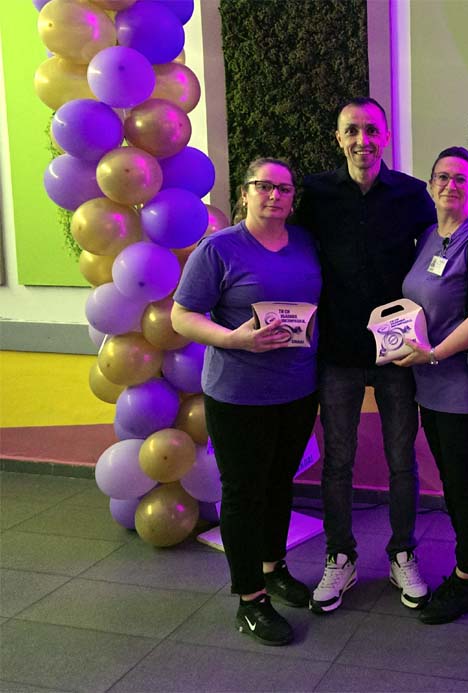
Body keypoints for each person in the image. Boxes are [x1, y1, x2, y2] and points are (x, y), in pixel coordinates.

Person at [296, 97, 437, 614]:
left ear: (386, 137)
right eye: (352, 130)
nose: (363, 140)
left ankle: (402, 553)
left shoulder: (412, 194)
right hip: (337, 350)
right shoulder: (314, 193)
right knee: (338, 461)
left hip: (397, 352)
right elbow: (290, 250)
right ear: (338, 138)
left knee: (402, 459)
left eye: (372, 130)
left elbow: (440, 249)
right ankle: (341, 556)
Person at [172, 158, 321, 646]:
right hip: (238, 393)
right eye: (264, 186)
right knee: (242, 493)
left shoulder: (304, 243)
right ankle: (250, 599)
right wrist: (233, 340)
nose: (275, 195)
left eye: (284, 188)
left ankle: (273, 568)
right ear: (244, 193)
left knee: (279, 484)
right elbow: (181, 315)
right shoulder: (219, 249)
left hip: (297, 389)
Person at [394, 146, 468, 624]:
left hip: (466, 387)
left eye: (461, 178)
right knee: (451, 480)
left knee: (462, 486)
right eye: (442, 177)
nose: (450, 185)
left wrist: (436, 352)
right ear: (430, 185)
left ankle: (466, 579)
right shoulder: (427, 236)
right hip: (430, 384)